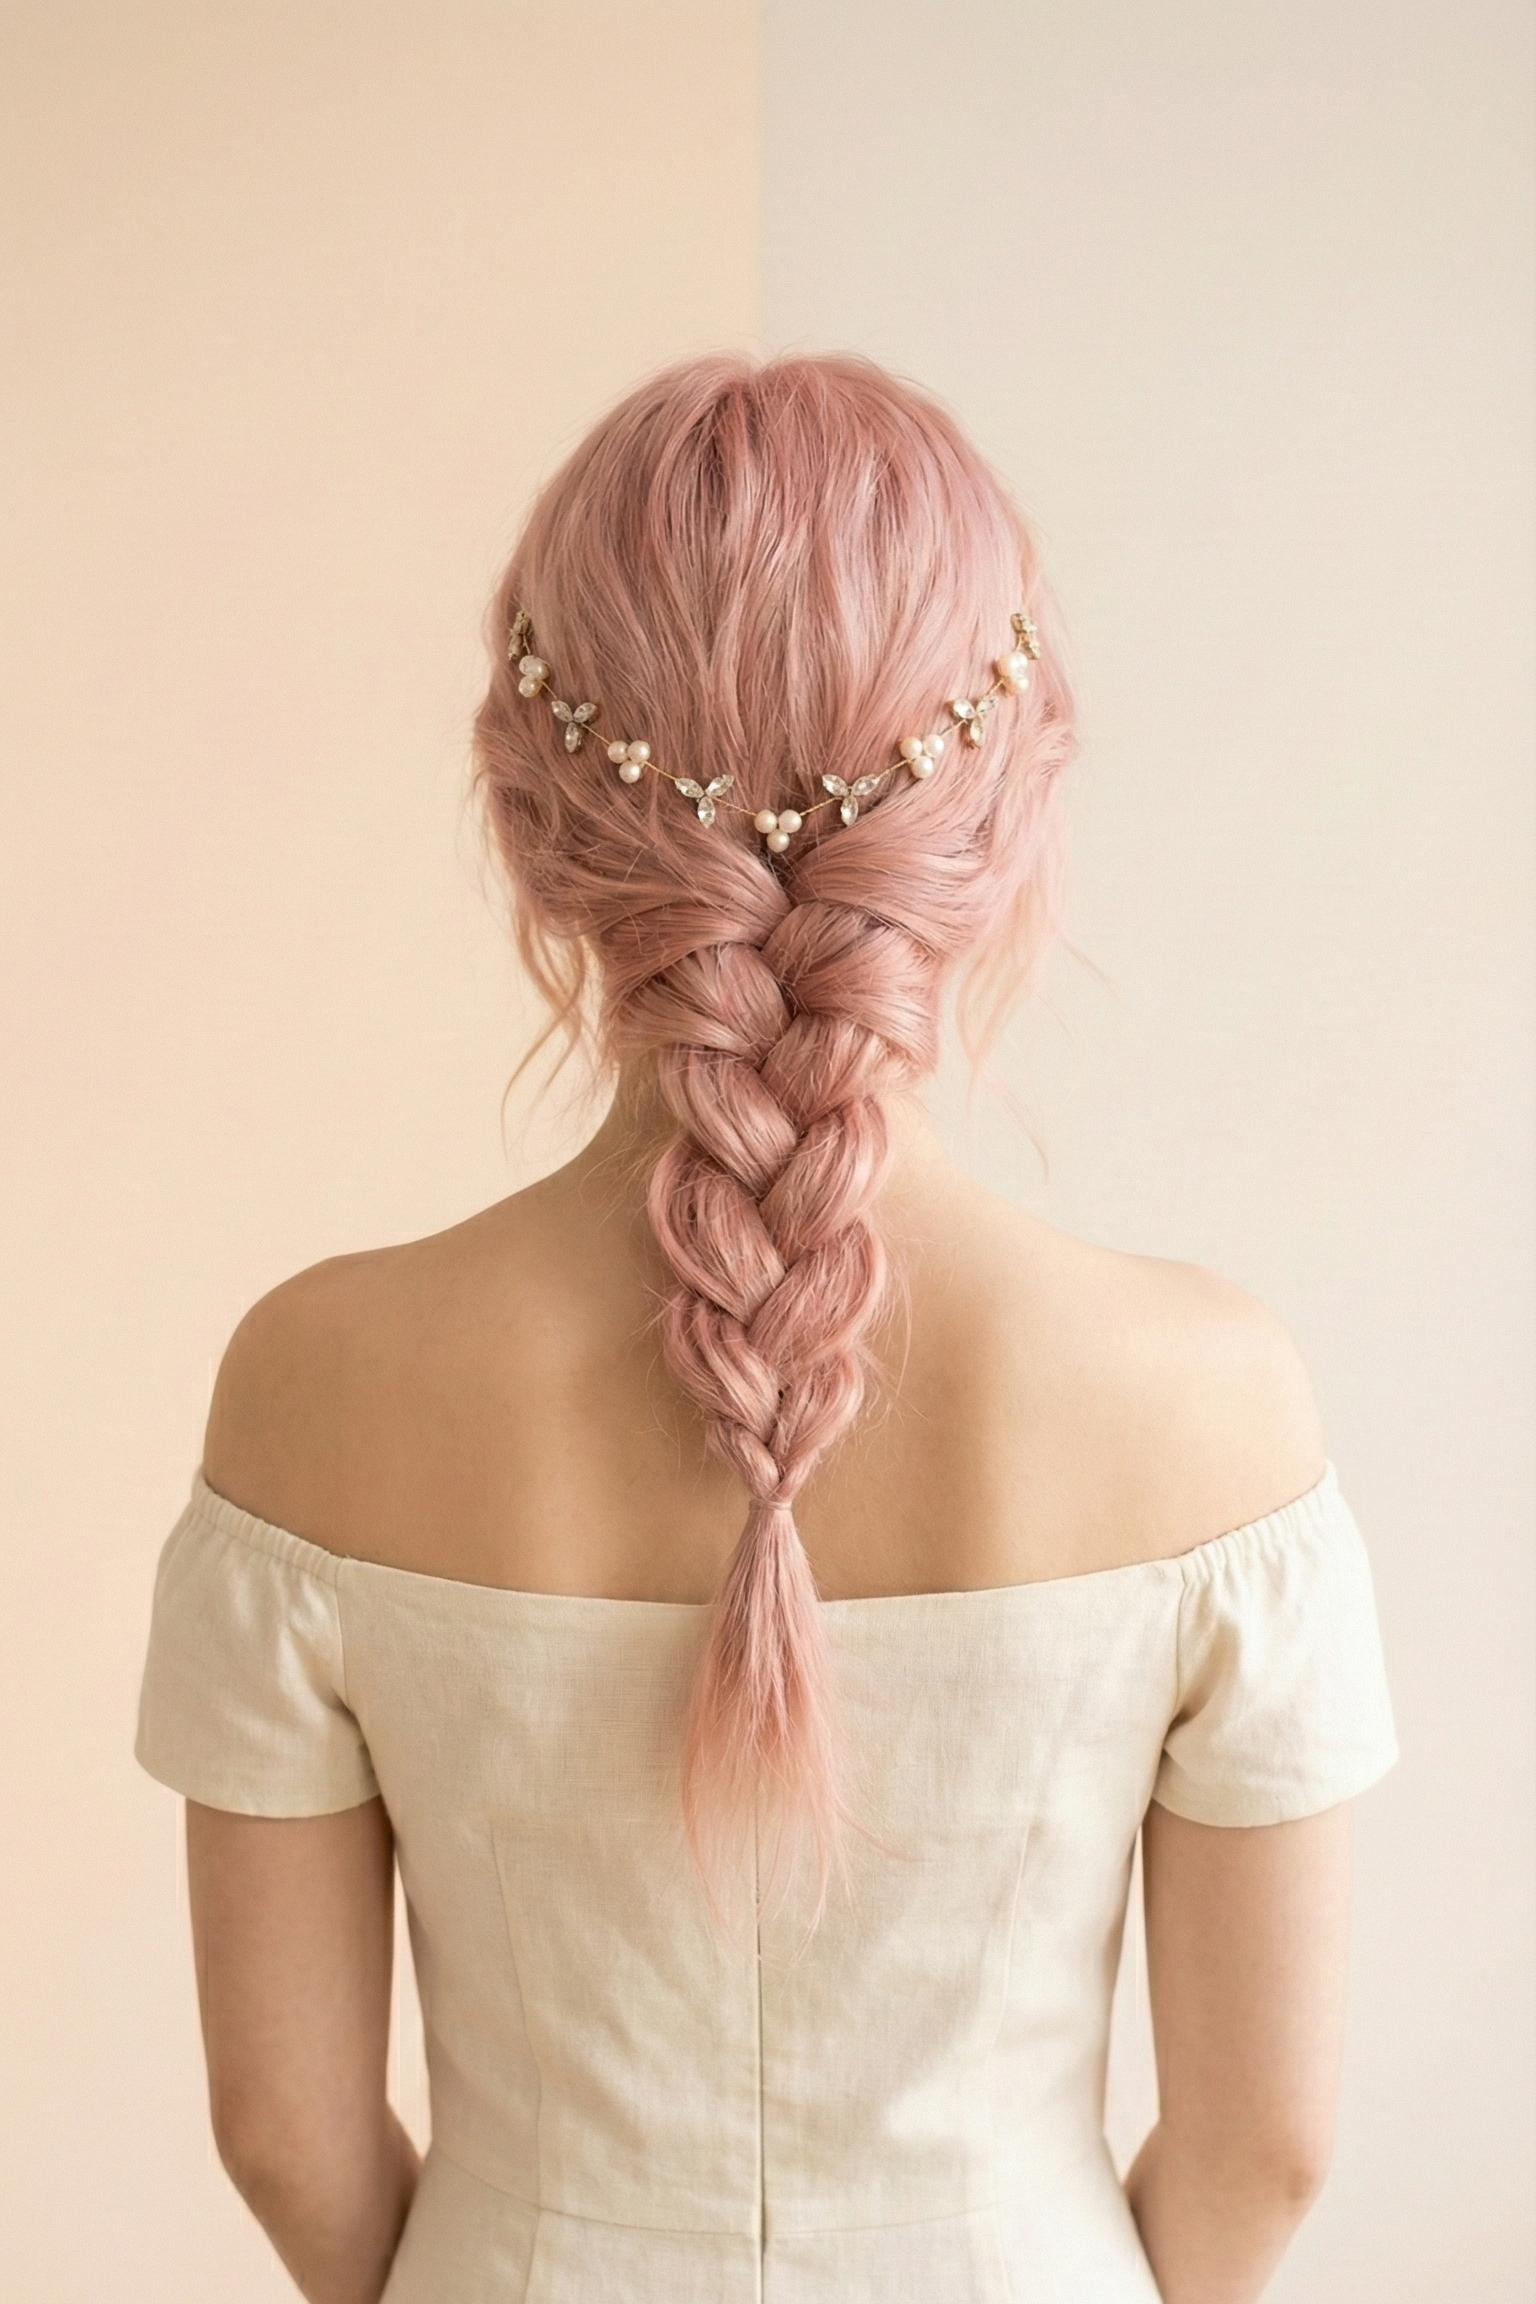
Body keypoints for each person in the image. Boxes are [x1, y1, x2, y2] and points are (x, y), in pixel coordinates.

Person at [136, 353, 1397, 2304]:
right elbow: (1267, 2147)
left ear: (529, 812)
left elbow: (284, 2134)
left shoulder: (316, 1382)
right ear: (1009, 808)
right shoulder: (1207, 1402)